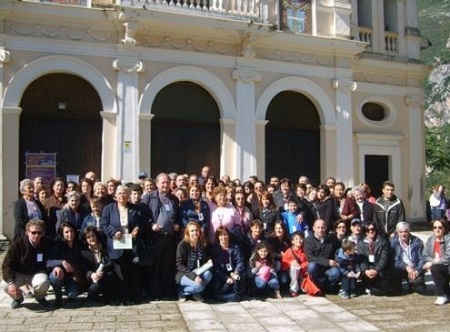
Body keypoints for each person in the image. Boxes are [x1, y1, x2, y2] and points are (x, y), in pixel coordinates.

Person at [140, 173, 181, 299]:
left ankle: (167, 291)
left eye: (167, 182)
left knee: (167, 265)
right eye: (162, 182)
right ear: (156, 184)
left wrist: (177, 224)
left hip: (169, 237)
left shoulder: (174, 199)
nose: (165, 185)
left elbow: (177, 215)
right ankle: (155, 292)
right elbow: (142, 215)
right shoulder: (149, 197)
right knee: (155, 266)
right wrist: (151, 224)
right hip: (155, 237)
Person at [101, 185, 143, 304]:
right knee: (119, 273)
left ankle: (134, 296)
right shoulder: (108, 208)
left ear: (128, 195)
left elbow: (141, 223)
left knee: (132, 272)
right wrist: (114, 232)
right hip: (116, 244)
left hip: (131, 244)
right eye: (119, 193)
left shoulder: (135, 209)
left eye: (124, 193)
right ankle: (121, 297)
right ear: (115, 195)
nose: (122, 195)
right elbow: (104, 224)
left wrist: (137, 229)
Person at [1, 220, 52, 309]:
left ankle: (40, 297)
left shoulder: (46, 243)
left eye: (39, 233)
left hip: (36, 272)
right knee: (5, 285)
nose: (36, 235)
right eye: (33, 232)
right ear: (27, 232)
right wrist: (11, 282)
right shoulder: (17, 244)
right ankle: (18, 298)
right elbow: (6, 265)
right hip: (19, 273)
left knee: (43, 282)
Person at [47, 222, 85, 307]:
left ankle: (72, 290)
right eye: (66, 232)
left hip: (73, 276)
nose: (70, 234)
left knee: (73, 295)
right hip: (60, 274)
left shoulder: (79, 244)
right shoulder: (57, 244)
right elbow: (48, 262)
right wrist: (61, 262)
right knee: (55, 276)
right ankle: (58, 295)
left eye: (71, 231)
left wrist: (77, 272)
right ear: (62, 233)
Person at [175, 221, 212, 302]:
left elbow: (206, 257)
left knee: (208, 274)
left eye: (196, 230)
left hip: (198, 271)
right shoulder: (182, 245)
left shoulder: (202, 244)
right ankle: (182, 291)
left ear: (199, 231)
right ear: (188, 232)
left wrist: (209, 260)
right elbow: (179, 265)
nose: (195, 232)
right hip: (185, 274)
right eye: (192, 231)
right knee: (199, 286)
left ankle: (196, 294)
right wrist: (194, 276)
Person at [80, 226, 119, 303]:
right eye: (88, 237)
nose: (91, 239)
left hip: (106, 274)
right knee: (93, 289)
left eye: (92, 235)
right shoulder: (84, 252)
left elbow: (111, 261)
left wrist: (103, 271)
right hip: (94, 278)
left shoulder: (105, 247)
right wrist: (92, 274)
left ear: (96, 235)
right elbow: (85, 268)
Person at [304, 219, 341, 293]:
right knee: (311, 266)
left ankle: (327, 286)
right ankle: (317, 285)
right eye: (318, 227)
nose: (320, 230)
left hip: (329, 267)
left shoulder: (332, 238)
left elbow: (338, 251)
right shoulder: (308, 240)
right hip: (317, 266)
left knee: (336, 273)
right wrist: (327, 262)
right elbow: (310, 257)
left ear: (326, 228)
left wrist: (336, 262)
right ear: (314, 228)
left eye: (322, 227)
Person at [211, 226, 246, 302]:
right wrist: (226, 278)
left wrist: (236, 273)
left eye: (225, 234)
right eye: (220, 235)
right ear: (218, 237)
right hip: (221, 275)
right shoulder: (215, 249)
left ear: (228, 235)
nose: (223, 237)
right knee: (219, 287)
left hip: (233, 273)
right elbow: (216, 268)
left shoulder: (235, 247)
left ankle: (223, 297)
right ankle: (227, 296)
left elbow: (240, 262)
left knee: (237, 284)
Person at [390, 221, 425, 294]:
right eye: (401, 232)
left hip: (414, 268)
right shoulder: (393, 242)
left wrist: (417, 271)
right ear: (397, 232)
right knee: (396, 291)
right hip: (400, 268)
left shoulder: (417, 242)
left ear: (409, 231)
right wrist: (406, 267)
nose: (403, 234)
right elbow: (394, 260)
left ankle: (412, 284)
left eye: (405, 231)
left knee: (420, 289)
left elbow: (422, 258)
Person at [358, 221, 390, 296]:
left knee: (380, 292)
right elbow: (361, 259)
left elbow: (384, 258)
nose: (371, 231)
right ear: (364, 231)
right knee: (375, 291)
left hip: (378, 270)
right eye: (368, 230)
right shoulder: (361, 243)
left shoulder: (383, 242)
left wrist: (376, 270)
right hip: (367, 270)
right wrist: (366, 270)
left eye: (372, 229)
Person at [423, 218, 450, 305]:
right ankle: (442, 295)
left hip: (448, 265)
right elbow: (425, 255)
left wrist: (432, 262)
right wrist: (432, 261)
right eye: (435, 227)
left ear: (444, 228)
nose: (437, 230)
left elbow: (448, 257)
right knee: (435, 268)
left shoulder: (448, 238)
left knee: (434, 268)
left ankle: (443, 294)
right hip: (440, 266)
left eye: (440, 227)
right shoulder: (431, 240)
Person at [281, 231, 308, 297]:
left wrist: (303, 265)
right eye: (296, 239)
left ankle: (303, 286)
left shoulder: (305, 251)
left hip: (302, 272)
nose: (299, 240)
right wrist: (290, 263)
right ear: (292, 241)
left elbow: (307, 261)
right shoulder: (289, 251)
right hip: (291, 272)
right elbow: (283, 266)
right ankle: (293, 289)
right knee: (294, 267)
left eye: (301, 238)